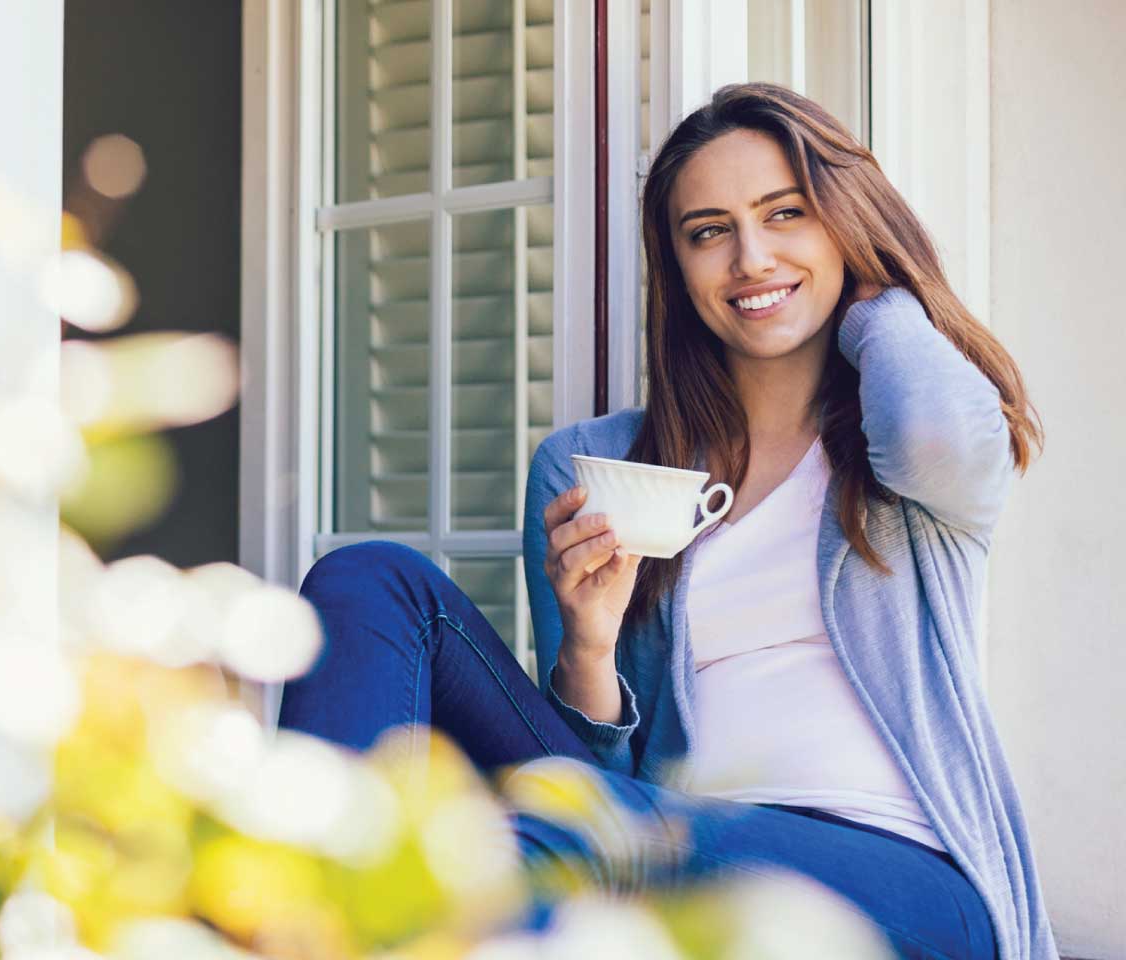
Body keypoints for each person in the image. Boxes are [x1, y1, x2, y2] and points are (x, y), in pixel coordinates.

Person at [278, 83, 1053, 959]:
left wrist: (876, 294)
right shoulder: (593, 468)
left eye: (786, 213)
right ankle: (318, 906)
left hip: (903, 874)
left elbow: (932, 433)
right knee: (370, 581)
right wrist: (589, 649)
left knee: (549, 842)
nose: (751, 258)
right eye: (710, 231)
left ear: (844, 218)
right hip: (664, 830)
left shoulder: (903, 449)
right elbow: (588, 775)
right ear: (677, 266)